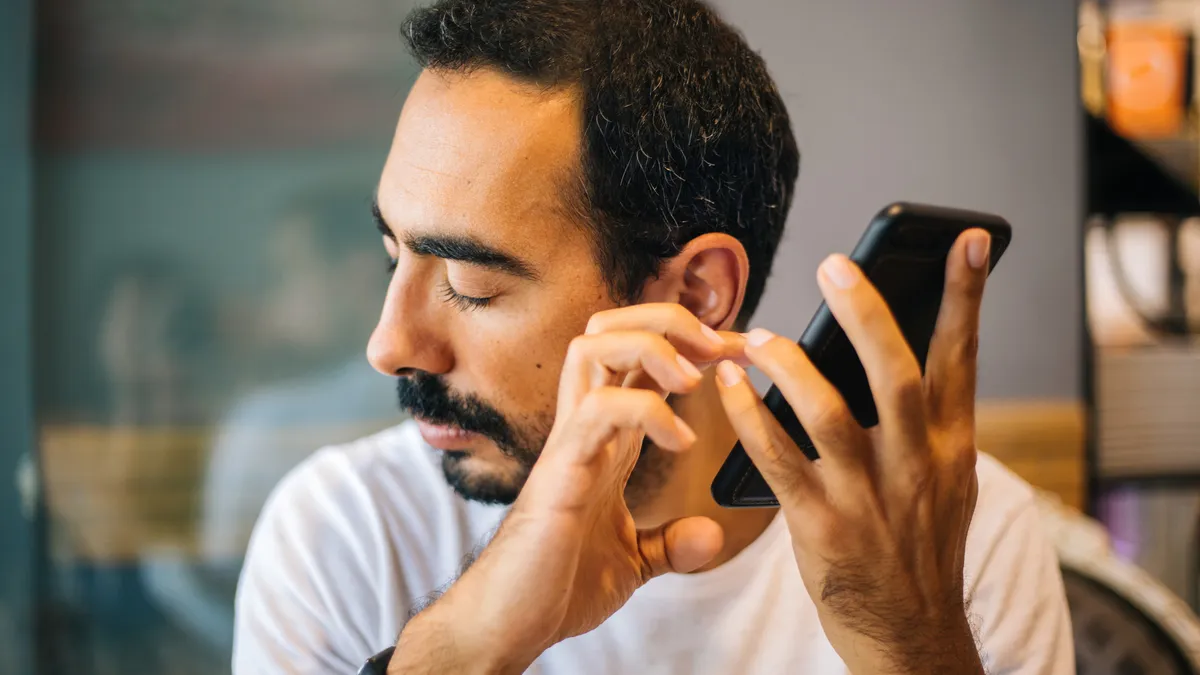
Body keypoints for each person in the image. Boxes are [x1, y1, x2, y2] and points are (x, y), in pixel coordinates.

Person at [234, 1, 1074, 673]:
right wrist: (465, 647)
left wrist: (913, 649)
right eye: (394, 258)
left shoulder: (959, 539)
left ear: (699, 293)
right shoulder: (347, 530)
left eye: (471, 284)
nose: (390, 344)